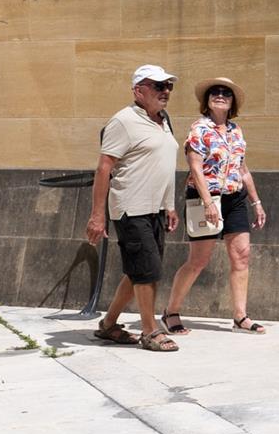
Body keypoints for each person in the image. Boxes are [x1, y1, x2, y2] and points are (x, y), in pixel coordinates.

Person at [161, 76, 269, 335]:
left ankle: (240, 317)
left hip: (234, 199)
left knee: (241, 256)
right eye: (214, 92)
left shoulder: (236, 131)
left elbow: (242, 169)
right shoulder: (199, 129)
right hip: (203, 199)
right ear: (207, 101)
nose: (220, 95)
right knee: (198, 260)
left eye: (226, 93)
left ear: (232, 102)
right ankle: (171, 312)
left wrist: (257, 202)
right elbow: (195, 167)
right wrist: (208, 202)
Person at [86, 64, 181, 352]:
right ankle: (150, 331)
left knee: (138, 270)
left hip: (155, 210)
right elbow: (104, 169)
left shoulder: (163, 120)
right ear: (138, 91)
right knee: (146, 272)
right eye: (158, 86)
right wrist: (97, 216)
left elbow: (163, 165)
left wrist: (169, 205)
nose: (165, 92)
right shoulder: (123, 121)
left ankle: (108, 325)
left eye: (168, 86)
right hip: (131, 208)